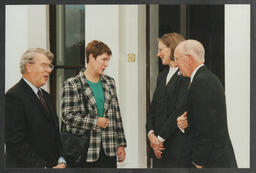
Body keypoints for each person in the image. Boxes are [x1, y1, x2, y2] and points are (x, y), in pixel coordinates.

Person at [61, 40, 127, 168]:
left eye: (108, 60)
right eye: (104, 59)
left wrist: (121, 144)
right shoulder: (72, 84)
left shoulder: (110, 82)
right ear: (91, 57)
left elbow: (116, 114)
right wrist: (94, 121)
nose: (106, 64)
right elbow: (67, 116)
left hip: (109, 150)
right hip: (84, 151)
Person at [174, 39, 237, 168]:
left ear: (189, 58)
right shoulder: (205, 78)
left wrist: (198, 162)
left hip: (210, 162)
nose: (175, 64)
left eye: (177, 59)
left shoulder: (201, 82)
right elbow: (206, 120)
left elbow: (207, 131)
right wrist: (187, 121)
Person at [5, 48, 66, 168]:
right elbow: (15, 142)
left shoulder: (46, 96)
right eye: (44, 65)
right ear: (29, 67)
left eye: (50, 66)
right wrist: (43, 167)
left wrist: (62, 160)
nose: (48, 70)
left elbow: (55, 134)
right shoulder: (13, 97)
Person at [146, 33, 191, 168]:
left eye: (160, 50)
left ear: (172, 48)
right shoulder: (161, 76)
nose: (158, 54)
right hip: (158, 150)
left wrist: (159, 140)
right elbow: (153, 108)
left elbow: (179, 110)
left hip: (176, 149)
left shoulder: (185, 76)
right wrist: (150, 134)